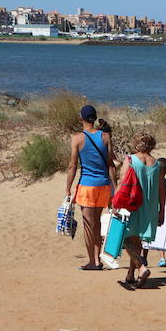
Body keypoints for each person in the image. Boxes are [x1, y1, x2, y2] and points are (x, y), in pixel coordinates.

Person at [65, 105, 117, 270]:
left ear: (81, 118)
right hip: (103, 186)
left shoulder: (77, 138)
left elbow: (72, 166)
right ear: (94, 118)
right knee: (97, 224)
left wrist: (68, 188)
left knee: (89, 225)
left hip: (87, 186)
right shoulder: (105, 136)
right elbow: (111, 165)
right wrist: (114, 188)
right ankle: (97, 260)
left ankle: (92, 261)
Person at [118, 132, 166, 288]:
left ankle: (141, 267)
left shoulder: (130, 160)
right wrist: (162, 211)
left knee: (125, 239)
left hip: (132, 205)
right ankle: (131, 274)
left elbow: (122, 183)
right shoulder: (156, 164)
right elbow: (161, 190)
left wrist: (115, 205)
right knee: (137, 240)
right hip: (150, 207)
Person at [141, 157, 166, 268]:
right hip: (160, 211)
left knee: (146, 234)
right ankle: (161, 257)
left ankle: (145, 257)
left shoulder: (151, 182)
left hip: (152, 210)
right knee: (159, 234)